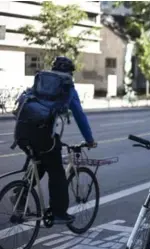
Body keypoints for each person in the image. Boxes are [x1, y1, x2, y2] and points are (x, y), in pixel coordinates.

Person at [13, 56, 97, 224]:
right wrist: (89, 140)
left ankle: (20, 196)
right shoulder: (66, 86)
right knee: (57, 171)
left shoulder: (41, 81)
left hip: (22, 132)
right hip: (43, 136)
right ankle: (59, 212)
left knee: (41, 163)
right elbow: (79, 116)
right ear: (70, 73)